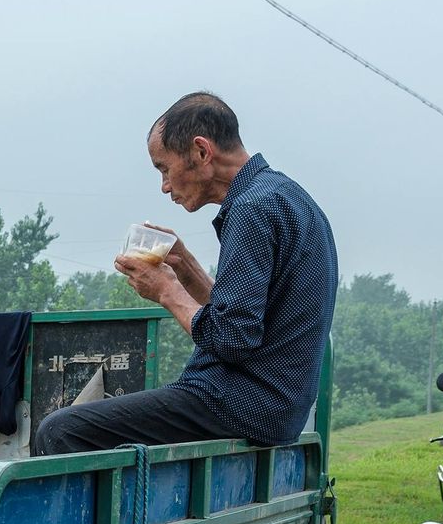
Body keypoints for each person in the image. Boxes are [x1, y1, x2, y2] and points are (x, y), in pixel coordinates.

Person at [32, 91, 337, 455]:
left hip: (240, 403)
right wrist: (187, 267)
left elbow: (232, 340)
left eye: (163, 168)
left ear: (201, 152)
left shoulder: (251, 210)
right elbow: (248, 322)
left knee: (61, 429)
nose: (164, 186)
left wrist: (166, 291)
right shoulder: (288, 198)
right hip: (275, 407)